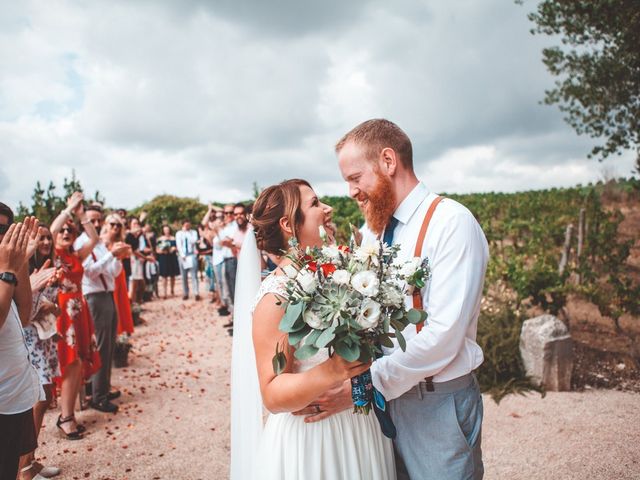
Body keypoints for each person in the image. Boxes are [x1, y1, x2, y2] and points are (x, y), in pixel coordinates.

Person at [304, 119, 487, 480]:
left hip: (436, 403)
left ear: (388, 161)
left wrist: (364, 386)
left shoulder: (451, 223)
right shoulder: (373, 231)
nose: (352, 191)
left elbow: (443, 337)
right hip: (384, 404)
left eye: (355, 178)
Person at [230, 179, 395, 480]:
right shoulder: (276, 295)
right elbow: (272, 393)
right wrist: (333, 371)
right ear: (288, 224)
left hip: (358, 426)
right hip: (315, 439)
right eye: (315, 203)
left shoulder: (338, 276)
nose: (327, 209)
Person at [50, 192, 102, 439]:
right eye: (63, 231)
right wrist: (69, 208)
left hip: (79, 311)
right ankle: (65, 417)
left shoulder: (75, 255)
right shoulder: (53, 255)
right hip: (63, 313)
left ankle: (68, 414)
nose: (65, 234)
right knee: (70, 363)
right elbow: (51, 229)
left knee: (78, 362)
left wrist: (82, 216)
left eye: (70, 231)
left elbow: (94, 237)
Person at [0, 211, 45, 480]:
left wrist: (21, 265)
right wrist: (8, 271)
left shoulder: (5, 269)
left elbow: (25, 314)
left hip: (15, 394)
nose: (3, 238)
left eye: (6, 230)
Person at [75, 206, 128, 414]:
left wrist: (117, 257)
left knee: (109, 345)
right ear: (84, 222)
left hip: (108, 295)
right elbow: (89, 273)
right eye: (93, 221)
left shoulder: (101, 245)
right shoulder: (82, 243)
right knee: (102, 347)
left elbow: (113, 273)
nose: (97, 225)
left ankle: (103, 388)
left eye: (99, 221)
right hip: (95, 297)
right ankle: (98, 396)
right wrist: (110, 255)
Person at [21, 225, 62, 479]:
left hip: (46, 339)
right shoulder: (26, 269)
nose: (46, 240)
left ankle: (31, 459)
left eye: (48, 237)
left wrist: (52, 305)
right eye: (41, 237)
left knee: (45, 396)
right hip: (30, 340)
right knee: (38, 398)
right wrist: (39, 295)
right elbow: (25, 314)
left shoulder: (50, 268)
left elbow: (55, 308)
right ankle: (24, 467)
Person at [175, 219, 200, 301]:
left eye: (189, 225)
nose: (187, 227)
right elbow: (179, 245)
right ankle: (186, 293)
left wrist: (187, 233)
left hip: (192, 255)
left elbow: (193, 241)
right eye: (186, 225)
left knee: (194, 275)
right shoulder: (179, 233)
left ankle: (196, 293)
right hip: (183, 256)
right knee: (184, 276)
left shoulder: (193, 232)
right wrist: (182, 255)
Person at [155, 225, 179, 298]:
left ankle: (172, 290)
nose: (166, 231)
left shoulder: (173, 238)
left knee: (172, 275)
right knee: (164, 276)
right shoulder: (160, 239)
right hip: (163, 258)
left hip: (172, 257)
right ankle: (164, 292)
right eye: (165, 230)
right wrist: (162, 251)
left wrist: (173, 249)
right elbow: (157, 250)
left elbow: (177, 247)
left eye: (167, 230)